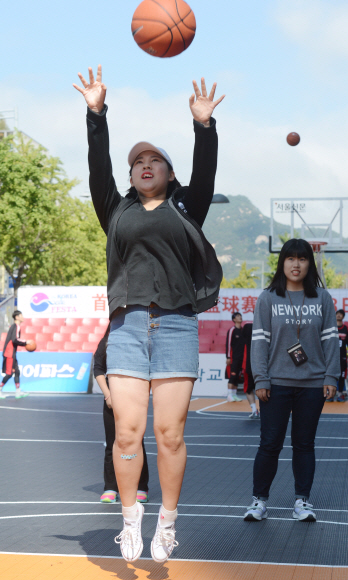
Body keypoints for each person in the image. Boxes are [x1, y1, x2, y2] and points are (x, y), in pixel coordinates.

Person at [73, 65, 224, 563]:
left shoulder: (187, 208)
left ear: (169, 173)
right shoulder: (116, 211)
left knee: (171, 434)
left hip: (178, 323)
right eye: (137, 160)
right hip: (128, 327)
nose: (143, 163)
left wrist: (204, 127)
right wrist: (96, 113)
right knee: (126, 432)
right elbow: (99, 167)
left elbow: (206, 173)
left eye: (154, 158)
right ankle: (131, 522)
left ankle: (168, 523)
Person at [244, 238, 339, 523]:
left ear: (310, 263)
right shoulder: (268, 297)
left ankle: (302, 501)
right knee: (269, 444)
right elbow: (259, 342)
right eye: (290, 258)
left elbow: (331, 342)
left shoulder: (322, 298)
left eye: (302, 259)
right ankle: (259, 501)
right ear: (282, 262)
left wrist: (331, 375)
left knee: (304, 444)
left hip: (312, 385)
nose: (296, 264)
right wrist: (261, 379)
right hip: (276, 384)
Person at [93, 326, 149, 504]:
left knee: (136, 441)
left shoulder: (137, 340)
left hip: (133, 397)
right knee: (112, 442)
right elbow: (98, 369)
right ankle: (110, 487)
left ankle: (141, 486)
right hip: (112, 398)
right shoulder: (107, 340)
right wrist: (108, 395)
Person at [0, 310, 32, 399]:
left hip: (11, 353)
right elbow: (14, 340)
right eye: (21, 315)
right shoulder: (16, 326)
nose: (23, 317)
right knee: (9, 374)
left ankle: (18, 392)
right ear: (17, 317)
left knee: (17, 371)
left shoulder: (15, 326)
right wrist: (26, 342)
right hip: (9, 353)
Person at [241, 320, 259, 419]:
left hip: (249, 366)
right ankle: (261, 411)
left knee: (248, 389)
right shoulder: (262, 336)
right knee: (261, 388)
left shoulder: (247, 328)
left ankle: (254, 410)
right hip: (260, 365)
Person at [225, 312, 244, 402]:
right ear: (234, 319)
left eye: (240, 316)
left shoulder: (243, 331)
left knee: (237, 377)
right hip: (233, 358)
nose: (240, 317)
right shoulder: (232, 330)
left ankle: (234, 394)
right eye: (238, 316)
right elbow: (228, 344)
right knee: (232, 377)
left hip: (241, 358)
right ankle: (229, 395)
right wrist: (228, 357)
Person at [333, 309, 348, 402]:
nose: (338, 315)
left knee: (342, 376)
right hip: (331, 357)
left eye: (341, 314)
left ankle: (340, 394)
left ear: (343, 317)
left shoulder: (346, 329)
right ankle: (329, 394)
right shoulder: (331, 327)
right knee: (330, 375)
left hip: (342, 357)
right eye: (337, 314)